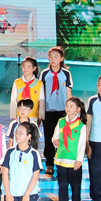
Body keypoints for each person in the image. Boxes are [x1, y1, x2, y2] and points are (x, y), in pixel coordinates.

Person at [51, 96, 87, 201]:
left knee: (75, 184)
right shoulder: (61, 121)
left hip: (73, 160)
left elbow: (82, 144)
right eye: (67, 106)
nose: (68, 108)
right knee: (62, 184)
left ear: (78, 109)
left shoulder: (81, 125)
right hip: (61, 158)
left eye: (71, 106)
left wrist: (79, 160)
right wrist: (55, 141)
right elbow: (55, 135)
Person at [40, 47, 73, 177]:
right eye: (51, 57)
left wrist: (71, 109)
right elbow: (41, 93)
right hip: (48, 110)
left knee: (62, 137)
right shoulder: (44, 74)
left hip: (62, 111)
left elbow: (68, 92)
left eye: (56, 57)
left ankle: (61, 162)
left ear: (61, 58)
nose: (53, 59)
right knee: (48, 137)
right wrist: (41, 111)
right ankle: (49, 163)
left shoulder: (66, 73)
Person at [9, 57, 42, 124]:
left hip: (33, 116)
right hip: (20, 115)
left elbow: (41, 101)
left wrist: (41, 116)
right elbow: (13, 100)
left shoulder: (39, 83)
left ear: (34, 68)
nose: (25, 69)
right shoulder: (17, 82)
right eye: (23, 66)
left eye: (28, 67)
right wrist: (13, 115)